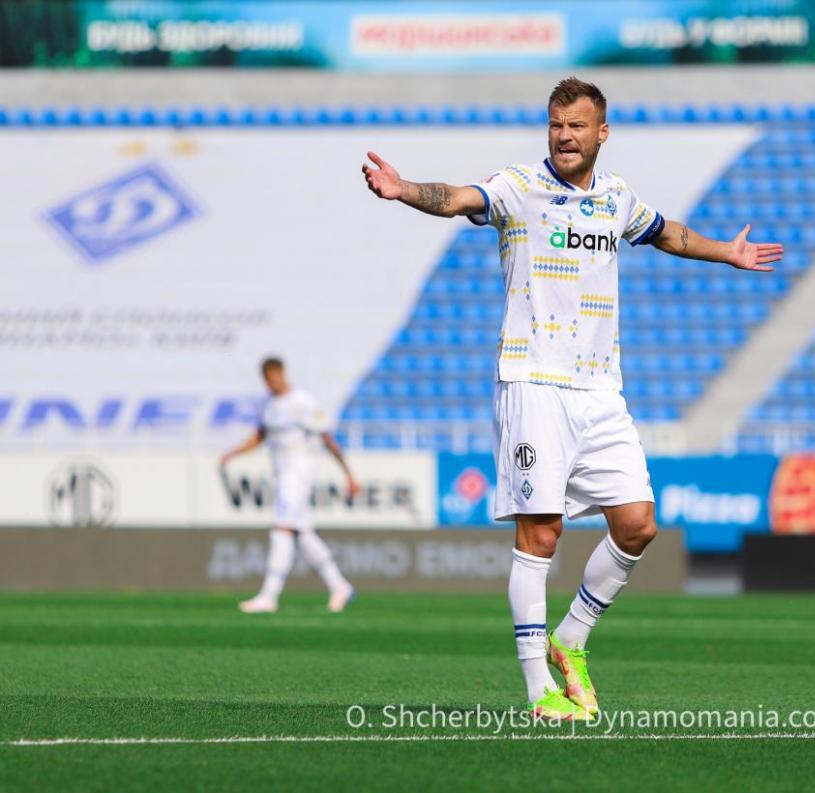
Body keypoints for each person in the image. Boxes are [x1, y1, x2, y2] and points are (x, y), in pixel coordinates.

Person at [362, 77, 782, 720]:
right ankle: (540, 690)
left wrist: (727, 252)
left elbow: (665, 232)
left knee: (638, 524)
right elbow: (457, 198)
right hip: (533, 381)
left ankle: (572, 637)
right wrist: (405, 190)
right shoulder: (519, 187)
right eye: (557, 125)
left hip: (600, 389)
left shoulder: (616, 197)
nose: (564, 136)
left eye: (577, 126)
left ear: (601, 133)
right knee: (542, 531)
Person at [220, 357, 359, 614]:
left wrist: (348, 473)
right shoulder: (270, 406)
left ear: (281, 373)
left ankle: (269, 595)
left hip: (299, 473)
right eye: (266, 379)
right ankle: (340, 586)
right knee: (302, 532)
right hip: (282, 474)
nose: (269, 383)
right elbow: (260, 436)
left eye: (272, 377)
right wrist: (233, 453)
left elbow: (327, 438)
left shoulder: (303, 402)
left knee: (281, 528)